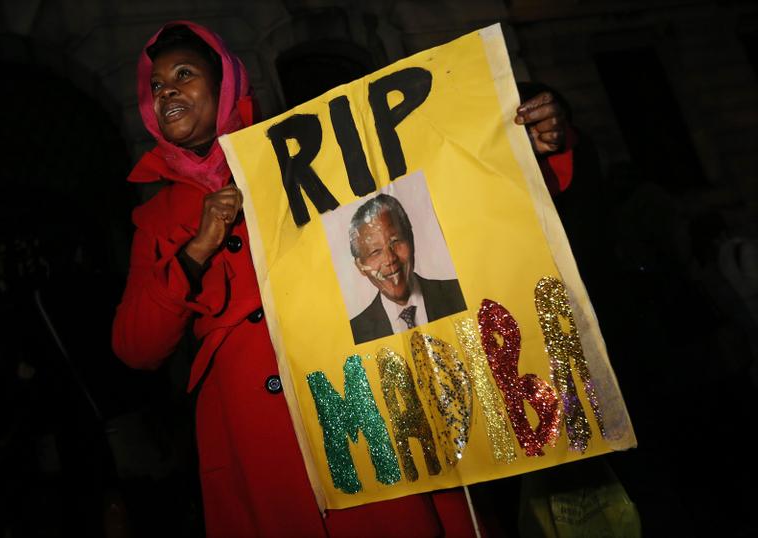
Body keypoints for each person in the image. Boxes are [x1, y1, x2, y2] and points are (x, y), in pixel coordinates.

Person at [112, 20, 571, 537]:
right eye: (156, 85)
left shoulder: (303, 155)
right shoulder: (153, 221)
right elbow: (135, 347)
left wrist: (524, 147)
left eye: (184, 74)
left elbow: (429, 202)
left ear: (225, 87)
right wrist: (197, 249)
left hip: (357, 405)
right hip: (252, 443)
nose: (166, 89)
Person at [349, 193, 466, 344]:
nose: (390, 259)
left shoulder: (459, 293)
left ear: (410, 237)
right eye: (375, 251)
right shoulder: (358, 333)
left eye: (395, 241)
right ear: (360, 266)